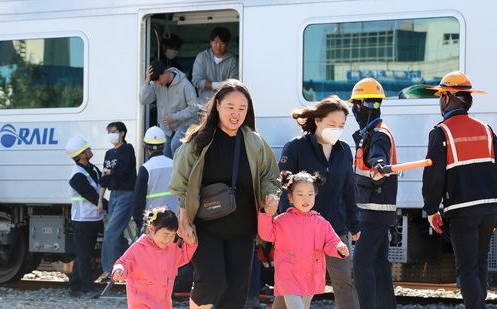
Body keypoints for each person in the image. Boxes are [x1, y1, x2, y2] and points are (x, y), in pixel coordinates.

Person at [169, 79, 281, 309]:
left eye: (242, 109)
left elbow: (270, 176)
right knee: (211, 283)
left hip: (243, 229)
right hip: (205, 228)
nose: (236, 114)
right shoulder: (198, 141)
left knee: (236, 291)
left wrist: (271, 196)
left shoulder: (254, 142)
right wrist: (183, 219)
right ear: (217, 105)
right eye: (230, 107)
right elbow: (181, 183)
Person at [423, 71, 497, 309]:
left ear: (447, 98)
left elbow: (433, 177)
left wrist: (431, 209)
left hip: (463, 211)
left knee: (466, 267)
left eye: (441, 95)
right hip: (489, 208)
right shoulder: (486, 129)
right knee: (479, 262)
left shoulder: (441, 132)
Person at [273, 96, 360, 309]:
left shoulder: (344, 150)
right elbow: (283, 188)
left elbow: (349, 189)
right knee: (292, 284)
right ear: (318, 120)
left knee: (343, 281)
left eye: (341, 126)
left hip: (334, 229)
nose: (337, 130)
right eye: (332, 124)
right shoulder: (295, 147)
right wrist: (286, 222)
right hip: (298, 232)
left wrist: (354, 223)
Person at [259, 171, 349, 309]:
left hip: (311, 275)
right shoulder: (282, 220)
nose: (305, 199)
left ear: (315, 195)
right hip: (288, 275)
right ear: (290, 197)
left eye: (310, 194)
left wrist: (339, 247)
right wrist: (265, 215)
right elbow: (266, 234)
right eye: (300, 194)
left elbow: (331, 241)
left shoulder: (321, 222)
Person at [349, 78, 397, 309]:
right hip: (374, 212)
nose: (353, 111)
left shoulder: (378, 135)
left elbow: (379, 157)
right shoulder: (371, 132)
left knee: (361, 265)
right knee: (378, 265)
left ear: (361, 105)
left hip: (373, 213)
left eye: (355, 106)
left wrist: (379, 165)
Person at [111, 207, 197, 309]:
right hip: (140, 303)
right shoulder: (138, 248)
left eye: (172, 235)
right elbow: (123, 262)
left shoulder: (171, 249)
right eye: (165, 234)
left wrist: (191, 244)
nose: (168, 239)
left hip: (163, 304)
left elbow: (183, 257)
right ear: (151, 229)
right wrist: (119, 270)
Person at [65, 137, 106, 299]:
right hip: (82, 221)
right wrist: (112, 207)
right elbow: (92, 196)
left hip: (93, 219)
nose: (90, 150)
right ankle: (87, 289)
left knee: (83, 254)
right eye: (87, 149)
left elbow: (101, 185)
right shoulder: (77, 176)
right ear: (81, 155)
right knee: (84, 255)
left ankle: (74, 288)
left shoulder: (92, 169)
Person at [99, 121, 137, 280]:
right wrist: (100, 199)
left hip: (126, 194)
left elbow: (122, 170)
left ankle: (109, 270)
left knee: (110, 233)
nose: (110, 135)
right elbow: (104, 178)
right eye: (108, 132)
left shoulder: (128, 149)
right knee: (116, 234)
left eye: (113, 131)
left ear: (122, 133)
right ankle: (131, 262)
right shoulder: (109, 153)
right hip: (113, 195)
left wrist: (110, 172)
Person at [140, 60, 200, 157]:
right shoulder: (155, 84)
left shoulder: (185, 84)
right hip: (166, 127)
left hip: (185, 124)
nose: (158, 83)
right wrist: (147, 81)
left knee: (175, 145)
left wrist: (174, 117)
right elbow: (143, 100)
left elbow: (194, 108)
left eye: (159, 80)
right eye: (155, 82)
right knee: (162, 154)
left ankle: (178, 171)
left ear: (165, 72)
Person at [133, 126, 179, 234]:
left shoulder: (145, 168)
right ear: (163, 145)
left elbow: (138, 200)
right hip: (174, 221)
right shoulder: (174, 164)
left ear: (145, 146)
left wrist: (140, 223)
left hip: (153, 224)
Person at [192, 26, 238, 105]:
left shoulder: (232, 60)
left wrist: (223, 86)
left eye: (222, 43)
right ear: (210, 42)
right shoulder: (202, 57)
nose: (218, 46)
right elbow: (196, 81)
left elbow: (233, 84)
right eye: (215, 42)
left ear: (227, 44)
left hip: (225, 104)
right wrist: (215, 85)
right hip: (204, 105)